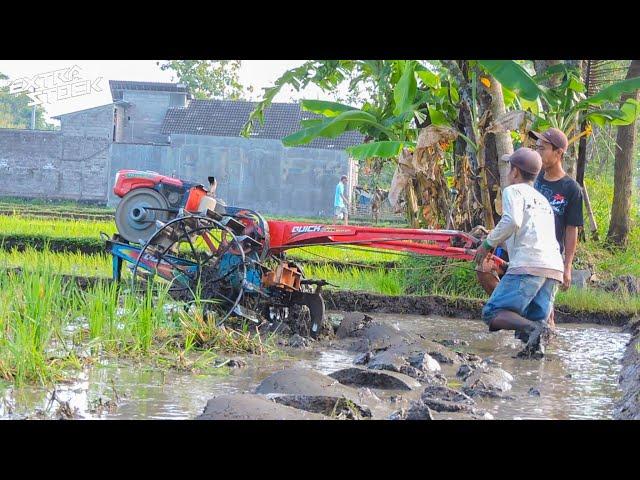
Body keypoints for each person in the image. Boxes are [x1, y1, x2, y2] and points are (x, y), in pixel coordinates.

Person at [474, 147, 564, 357]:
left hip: (531, 265)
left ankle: (536, 329)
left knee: (493, 313)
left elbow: (512, 221)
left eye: (509, 169)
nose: (508, 174)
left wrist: (487, 244)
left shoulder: (513, 191)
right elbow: (533, 236)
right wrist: (507, 264)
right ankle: (533, 367)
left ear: (515, 172)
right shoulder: (542, 200)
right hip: (552, 268)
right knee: (531, 330)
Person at [530, 128, 584, 329]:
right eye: (536, 148)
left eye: (542, 149)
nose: (538, 153)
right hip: (526, 251)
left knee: (545, 311)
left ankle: (550, 350)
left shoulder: (571, 189)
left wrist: (567, 266)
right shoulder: (532, 180)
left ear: (558, 152)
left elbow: (572, 229)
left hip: (549, 257)